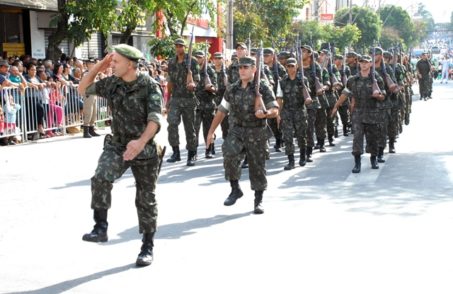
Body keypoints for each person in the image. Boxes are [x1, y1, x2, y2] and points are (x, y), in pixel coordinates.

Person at [78, 44, 164, 267]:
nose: (112, 65)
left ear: (130, 64)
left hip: (144, 147)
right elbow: (83, 89)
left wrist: (141, 141)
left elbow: (155, 119)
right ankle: (100, 228)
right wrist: (100, 66)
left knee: (146, 198)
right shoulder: (113, 83)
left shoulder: (149, 86)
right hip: (117, 145)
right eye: (112, 61)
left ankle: (147, 246)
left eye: (116, 61)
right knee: (100, 178)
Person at [206, 56, 279, 214]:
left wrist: (265, 114)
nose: (242, 70)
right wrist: (211, 131)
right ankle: (235, 189)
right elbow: (222, 110)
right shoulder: (232, 88)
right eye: (240, 67)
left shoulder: (263, 88)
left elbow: (275, 109)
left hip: (257, 131)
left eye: (246, 67)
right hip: (237, 130)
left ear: (254, 69)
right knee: (229, 154)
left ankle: (258, 200)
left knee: (257, 166)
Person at [346, 55, 386, 173]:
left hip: (372, 112)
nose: (363, 64)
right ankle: (357, 163)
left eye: (366, 62)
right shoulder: (353, 79)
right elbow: (348, 95)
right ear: (359, 64)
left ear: (370, 64)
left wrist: (378, 96)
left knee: (373, 138)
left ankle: (373, 159)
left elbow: (383, 96)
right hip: (358, 113)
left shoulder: (376, 79)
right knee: (357, 138)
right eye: (361, 62)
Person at [166, 38, 200, 166]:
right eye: (177, 46)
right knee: (172, 124)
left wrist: (193, 84)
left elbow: (197, 79)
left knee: (189, 128)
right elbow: (169, 82)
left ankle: (191, 154)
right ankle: (176, 152)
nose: (178, 48)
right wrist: (168, 99)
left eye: (181, 46)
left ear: (185, 47)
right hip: (175, 98)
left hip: (188, 99)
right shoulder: (171, 62)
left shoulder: (192, 61)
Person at [276, 57, 311, 170]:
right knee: (288, 137)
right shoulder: (282, 82)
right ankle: (291, 161)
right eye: (289, 66)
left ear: (297, 66)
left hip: (300, 111)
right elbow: (280, 99)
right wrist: (278, 114)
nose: (291, 68)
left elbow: (307, 96)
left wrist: (307, 99)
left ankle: (302, 156)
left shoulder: (303, 80)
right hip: (287, 112)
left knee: (301, 135)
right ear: (286, 67)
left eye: (293, 66)